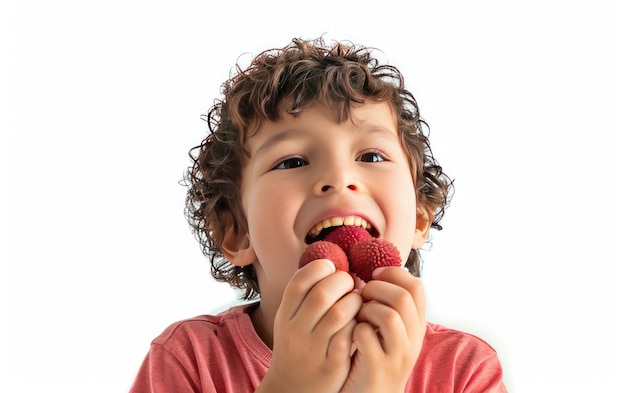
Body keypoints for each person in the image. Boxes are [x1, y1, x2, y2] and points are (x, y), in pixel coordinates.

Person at [129, 36, 507, 393]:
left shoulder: (464, 369)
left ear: (420, 218)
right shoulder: (189, 360)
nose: (339, 179)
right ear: (236, 231)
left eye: (371, 156)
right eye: (292, 161)